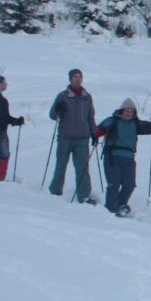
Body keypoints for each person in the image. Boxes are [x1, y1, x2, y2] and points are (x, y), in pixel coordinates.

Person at [95, 98, 151, 217]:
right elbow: (99, 129)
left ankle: (120, 205)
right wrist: (96, 134)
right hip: (112, 157)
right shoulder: (113, 121)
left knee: (130, 184)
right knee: (114, 184)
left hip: (129, 158)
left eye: (131, 111)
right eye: (127, 111)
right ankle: (111, 209)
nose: (129, 113)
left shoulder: (136, 123)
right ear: (121, 111)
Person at [48, 68, 98, 204]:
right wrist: (57, 109)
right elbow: (52, 115)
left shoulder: (87, 97)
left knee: (83, 168)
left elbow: (90, 117)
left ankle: (84, 196)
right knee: (61, 166)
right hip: (65, 137)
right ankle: (55, 192)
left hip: (82, 138)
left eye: (80, 76)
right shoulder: (62, 96)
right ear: (70, 79)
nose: (78, 79)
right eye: (75, 76)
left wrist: (94, 133)